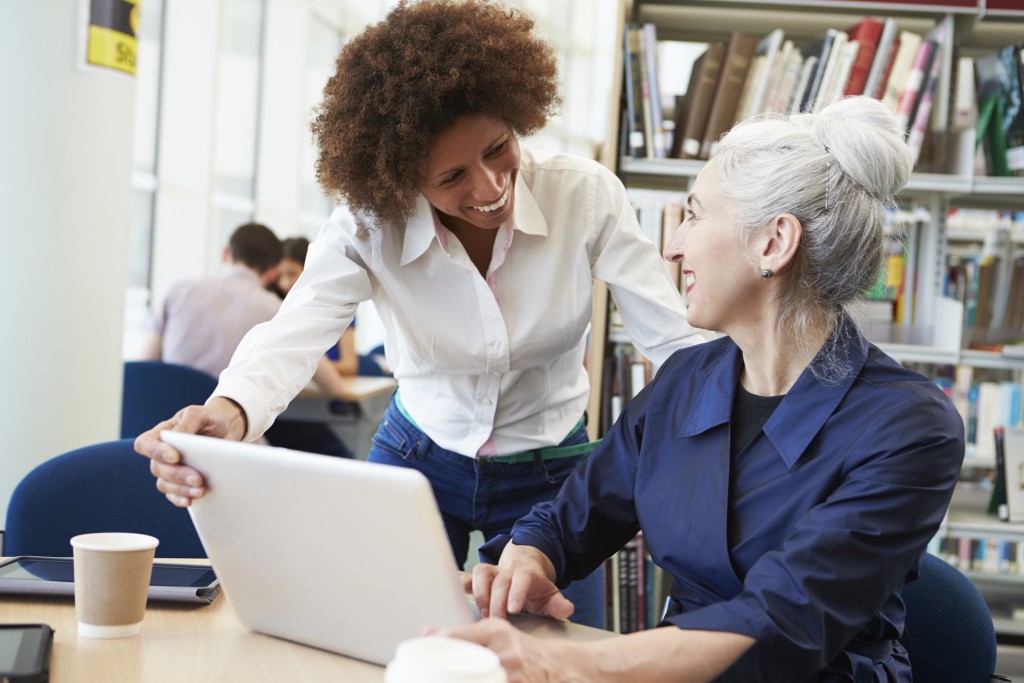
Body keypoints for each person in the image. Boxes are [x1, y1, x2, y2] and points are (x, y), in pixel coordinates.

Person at [134, 0, 702, 628]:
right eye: (453, 174)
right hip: (417, 458)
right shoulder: (367, 224)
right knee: (382, 638)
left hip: (552, 473)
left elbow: (676, 343)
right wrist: (228, 411)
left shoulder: (584, 194)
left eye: (498, 148)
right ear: (403, 176)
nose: (489, 188)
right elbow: (294, 334)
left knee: (559, 652)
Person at [443, 96, 966, 681]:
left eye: (693, 215)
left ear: (773, 242)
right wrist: (530, 557)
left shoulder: (910, 426)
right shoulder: (687, 382)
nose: (674, 246)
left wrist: (576, 662)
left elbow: (783, 622)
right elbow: (573, 516)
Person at [139, 222, 283, 378]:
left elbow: (145, 367)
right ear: (274, 271)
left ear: (226, 253)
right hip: (227, 402)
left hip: (168, 401)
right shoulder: (276, 310)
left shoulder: (178, 291)